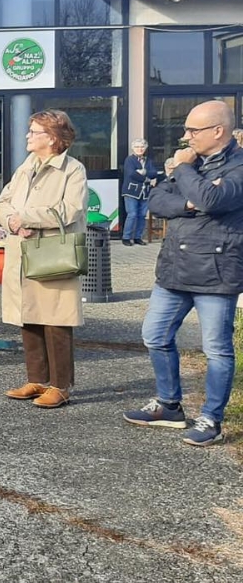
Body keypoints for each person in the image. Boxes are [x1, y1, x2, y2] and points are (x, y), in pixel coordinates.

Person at [124, 100, 243, 446]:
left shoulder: (236, 166)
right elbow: (157, 201)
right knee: (154, 335)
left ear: (217, 131)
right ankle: (169, 404)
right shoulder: (188, 164)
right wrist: (189, 200)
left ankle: (211, 419)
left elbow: (213, 200)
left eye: (193, 130)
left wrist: (184, 172)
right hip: (174, 269)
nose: (186, 136)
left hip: (217, 271)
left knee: (217, 349)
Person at [0, 110, 88, 409]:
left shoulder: (72, 170)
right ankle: (37, 379)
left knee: (56, 321)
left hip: (51, 254)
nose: (27, 136)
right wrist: (11, 222)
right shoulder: (26, 166)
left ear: (53, 138)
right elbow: (2, 202)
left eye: (34, 131)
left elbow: (70, 210)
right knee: (28, 316)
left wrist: (27, 218)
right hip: (22, 251)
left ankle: (61, 386)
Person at [120, 138, 159, 246]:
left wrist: (144, 172)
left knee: (142, 215)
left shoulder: (148, 161)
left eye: (142, 147)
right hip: (131, 191)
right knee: (132, 214)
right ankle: (126, 237)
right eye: (137, 147)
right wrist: (146, 179)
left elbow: (154, 173)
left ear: (145, 148)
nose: (140, 149)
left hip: (145, 192)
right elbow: (131, 174)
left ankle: (138, 237)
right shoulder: (129, 160)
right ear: (133, 149)